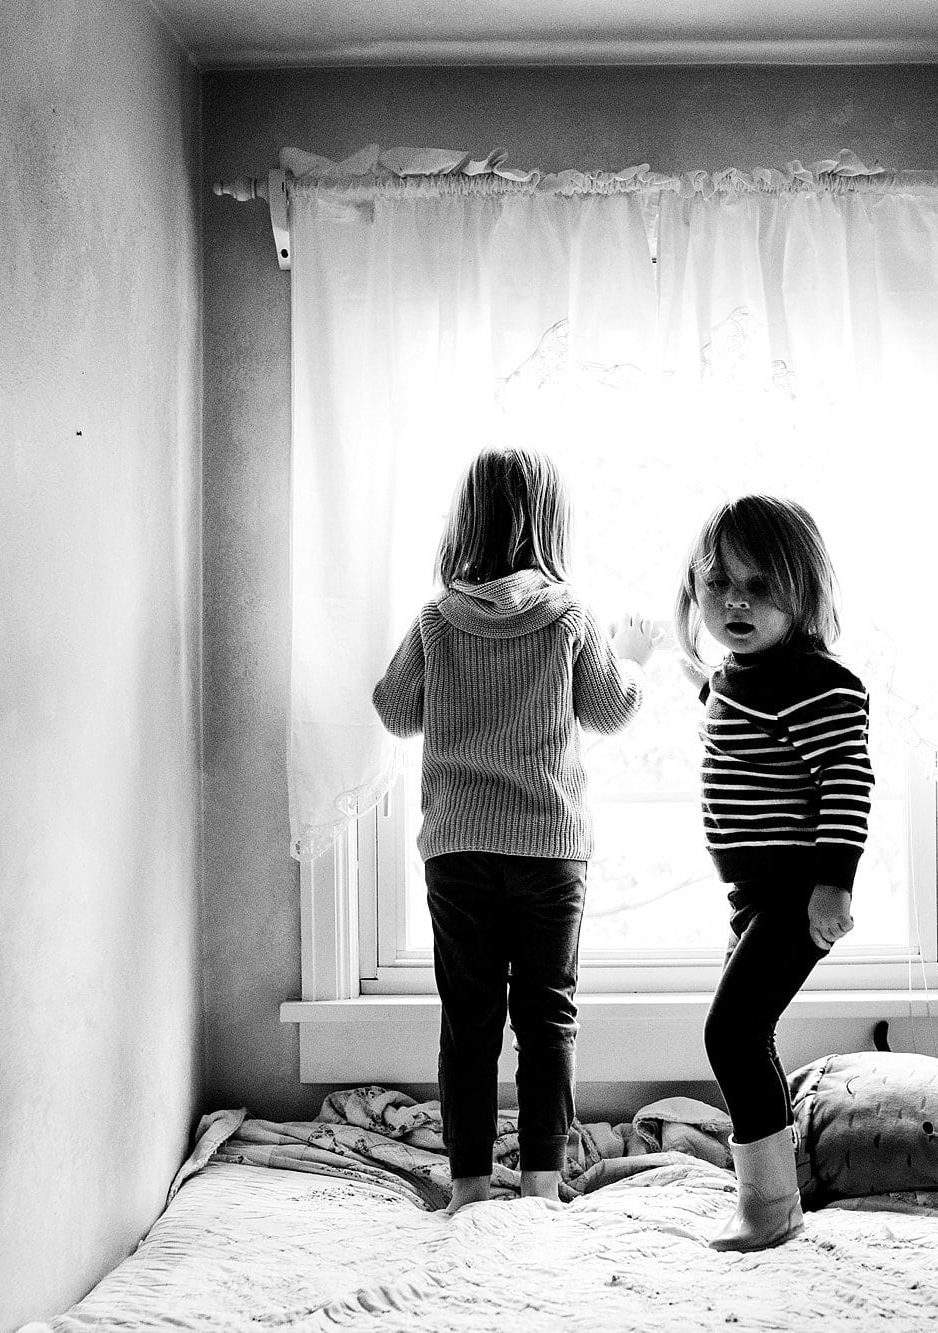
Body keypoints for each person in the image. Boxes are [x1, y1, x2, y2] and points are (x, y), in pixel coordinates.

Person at [372, 446, 659, 1216]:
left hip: (459, 849)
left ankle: (467, 1183)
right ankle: (539, 1183)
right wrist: (632, 659)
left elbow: (396, 711)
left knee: (469, 1022)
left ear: (466, 522)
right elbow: (610, 709)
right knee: (547, 1015)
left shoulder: (437, 619)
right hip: (550, 850)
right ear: (548, 524)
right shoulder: (568, 614)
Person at [673, 494, 873, 1251]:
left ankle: (770, 1209)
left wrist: (835, 881)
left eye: (758, 588)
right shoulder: (739, 675)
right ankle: (776, 1187)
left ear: (802, 593)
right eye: (719, 584)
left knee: (732, 1030)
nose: (735, 602)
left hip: (796, 892)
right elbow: (725, 709)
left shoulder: (816, 682)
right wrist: (671, 656)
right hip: (753, 896)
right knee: (747, 1034)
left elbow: (847, 781)